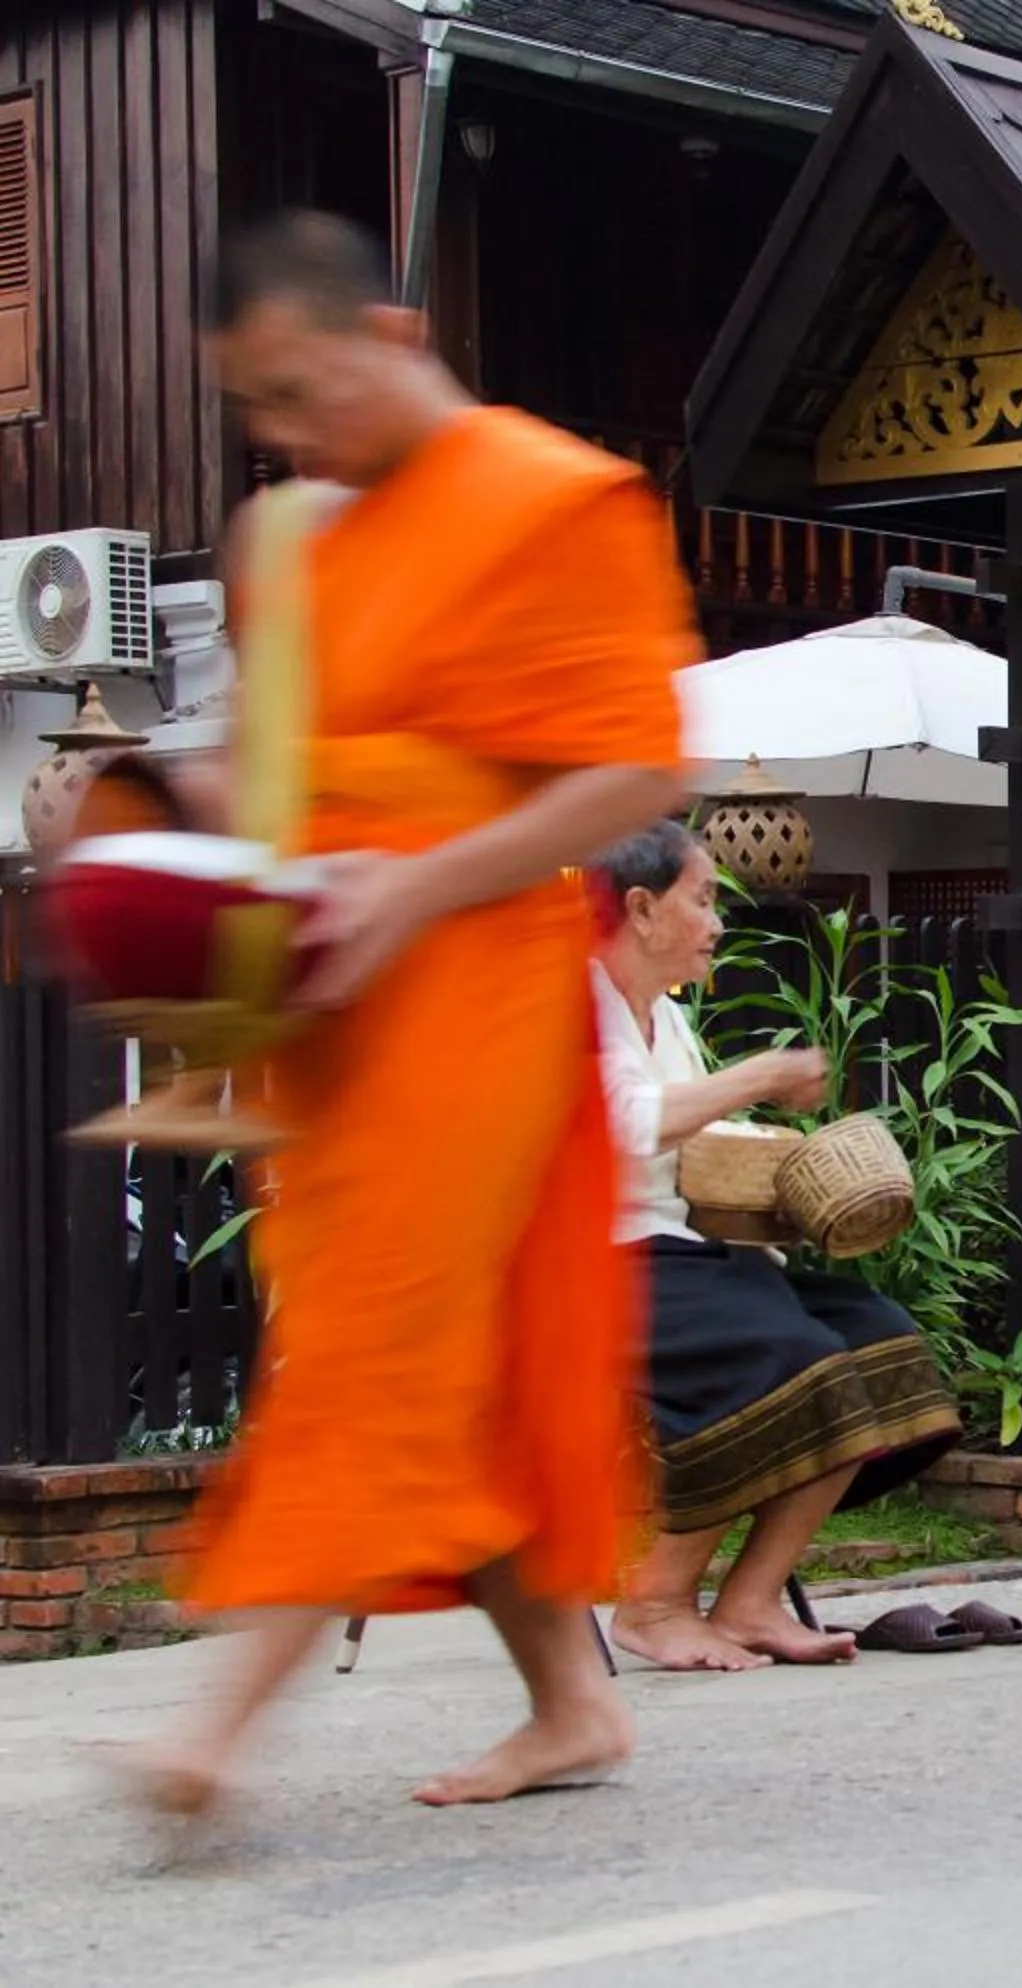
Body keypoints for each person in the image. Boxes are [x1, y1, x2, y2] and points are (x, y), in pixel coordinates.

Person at [125, 211, 692, 1815]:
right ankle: (573, 1706)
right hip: (325, 1000)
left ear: (386, 333)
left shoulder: (550, 497)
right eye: (257, 412)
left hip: (476, 986)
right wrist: (171, 832)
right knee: (473, 1369)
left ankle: (214, 1729)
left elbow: (640, 769)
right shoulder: (289, 538)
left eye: (301, 393)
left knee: (374, 1348)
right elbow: (275, 758)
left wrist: (419, 885)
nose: (285, 438)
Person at [586, 820, 964, 1670]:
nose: (719, 921)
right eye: (706, 899)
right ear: (642, 909)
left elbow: (699, 1146)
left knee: (875, 1339)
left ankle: (752, 1598)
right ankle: (654, 1602)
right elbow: (621, 1126)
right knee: (791, 1355)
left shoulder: (665, 1023)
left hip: (677, 1251)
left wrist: (774, 1186)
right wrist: (762, 1074)